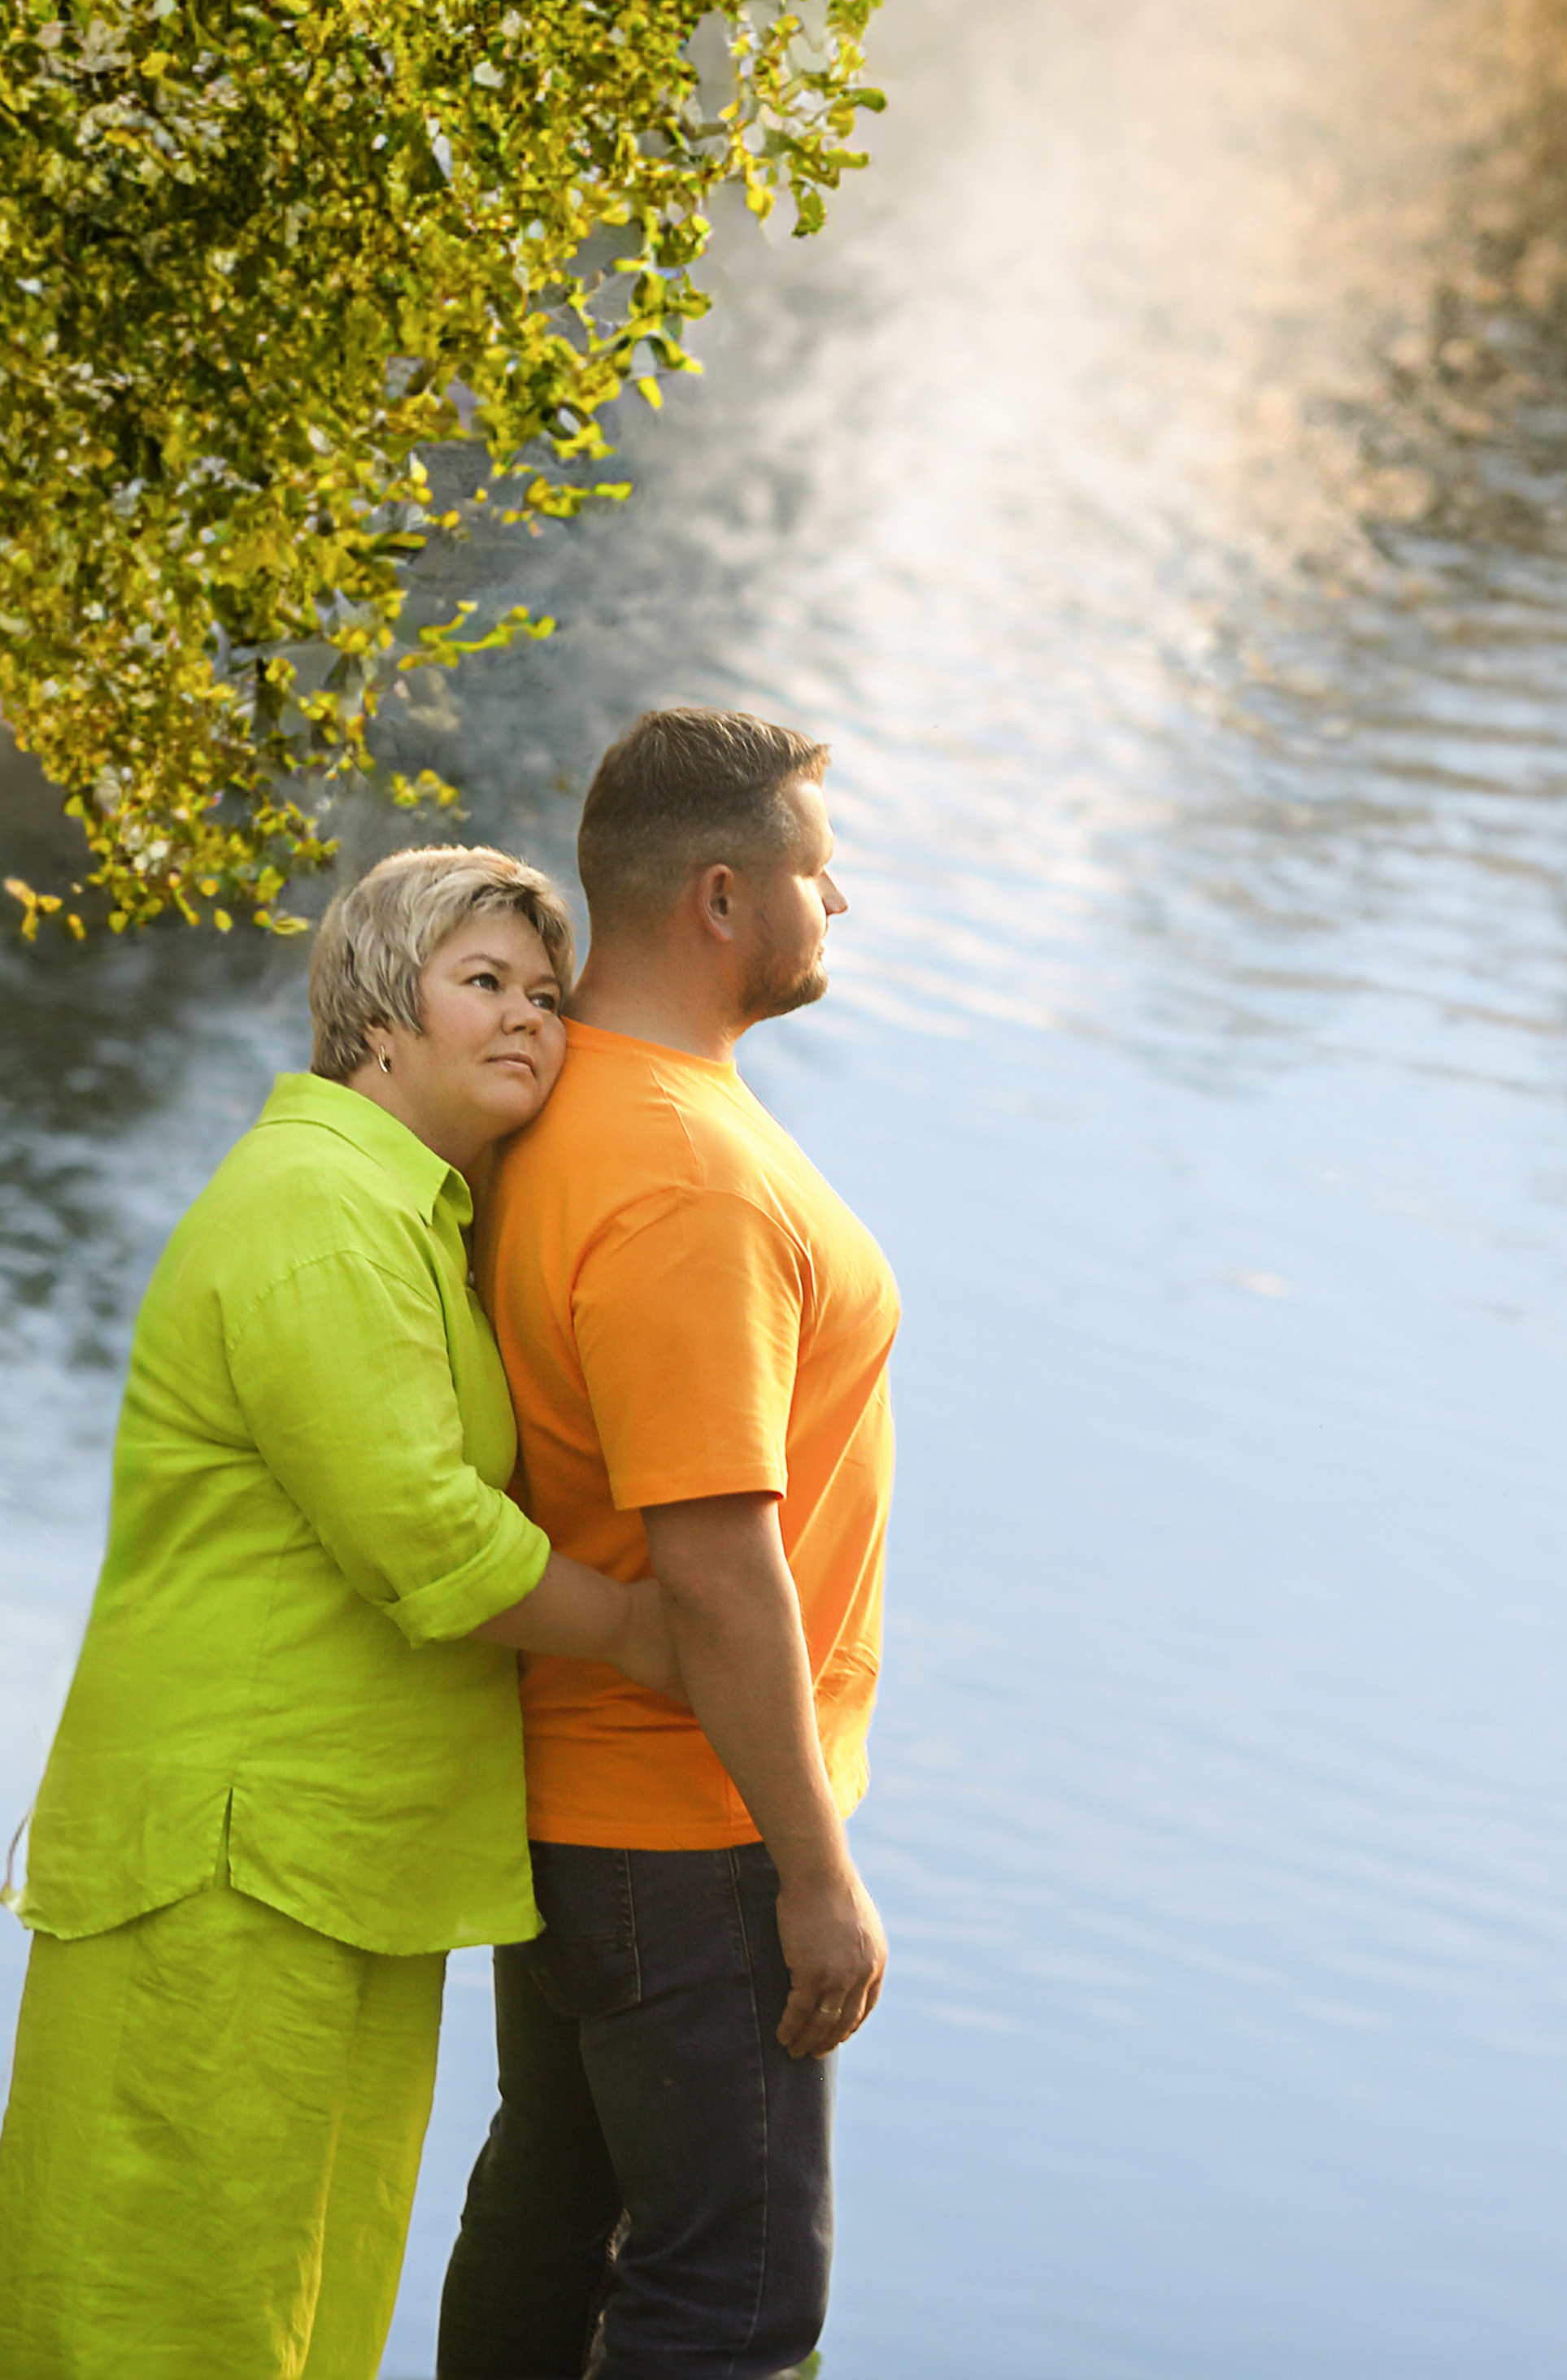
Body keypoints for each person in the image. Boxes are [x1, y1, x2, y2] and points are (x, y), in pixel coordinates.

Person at [0, 845, 684, 2380]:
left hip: (342, 1859)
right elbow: (423, 1536)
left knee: (292, 2315)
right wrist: (658, 1636)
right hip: (235, 1860)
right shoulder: (318, 1207)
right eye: (484, 983)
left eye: (549, 996)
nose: (530, 1020)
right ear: (379, 1009)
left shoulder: (415, 1213)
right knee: (167, 2310)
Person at [437, 708, 900, 2380]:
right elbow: (712, 1558)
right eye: (813, 870)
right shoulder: (682, 1178)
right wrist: (812, 1870)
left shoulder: (560, 1113)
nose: (835, 901)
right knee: (732, 2304)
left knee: (552, 2234)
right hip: (690, 1834)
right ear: (720, 897)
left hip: (575, 1814)